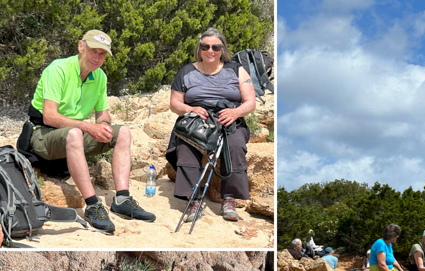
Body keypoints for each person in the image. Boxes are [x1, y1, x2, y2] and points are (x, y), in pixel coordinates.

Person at [27, 30, 155, 233]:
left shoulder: (100, 77)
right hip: (42, 134)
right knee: (75, 133)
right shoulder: (58, 69)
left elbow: (102, 115)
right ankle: (93, 204)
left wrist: (104, 126)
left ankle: (122, 199)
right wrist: (87, 127)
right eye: (93, 51)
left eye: (102, 54)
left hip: (70, 134)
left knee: (122, 132)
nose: (97, 57)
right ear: (81, 46)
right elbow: (49, 116)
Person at [169, 27, 256, 222]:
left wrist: (236, 112)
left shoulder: (236, 69)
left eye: (215, 47)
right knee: (186, 144)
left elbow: (250, 101)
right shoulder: (186, 71)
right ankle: (193, 200)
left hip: (229, 116)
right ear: (199, 49)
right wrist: (189, 110)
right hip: (197, 118)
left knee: (235, 145)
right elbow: (174, 103)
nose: (210, 51)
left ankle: (229, 200)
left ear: (222, 49)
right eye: (205, 46)